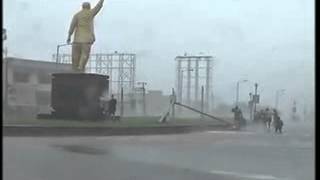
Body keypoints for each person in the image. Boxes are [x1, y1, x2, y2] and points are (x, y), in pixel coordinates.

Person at [67, 0, 105, 72]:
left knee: (75, 58)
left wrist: (69, 36)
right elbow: (98, 6)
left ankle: (75, 71)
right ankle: (81, 67)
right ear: (89, 7)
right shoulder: (90, 13)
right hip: (86, 40)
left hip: (77, 40)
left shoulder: (77, 15)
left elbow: (72, 26)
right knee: (84, 55)